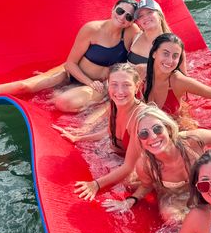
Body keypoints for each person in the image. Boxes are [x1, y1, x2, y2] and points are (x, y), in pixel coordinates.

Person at [0, 0, 140, 120]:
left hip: (99, 85)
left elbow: (145, 51)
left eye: (128, 16)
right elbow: (70, 63)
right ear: (113, 8)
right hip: (74, 74)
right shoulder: (92, 29)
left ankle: (66, 95)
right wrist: (86, 81)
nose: (122, 17)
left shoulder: (131, 33)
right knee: (24, 86)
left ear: (132, 21)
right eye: (120, 11)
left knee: (63, 102)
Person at [51, 63, 146, 200]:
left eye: (126, 85)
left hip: (141, 163)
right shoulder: (117, 104)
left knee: (127, 183)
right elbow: (108, 132)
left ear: (137, 87)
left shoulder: (140, 118)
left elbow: (128, 166)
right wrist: (78, 138)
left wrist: (96, 184)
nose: (119, 91)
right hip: (121, 154)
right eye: (114, 84)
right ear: (108, 84)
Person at [126, 0, 187, 77]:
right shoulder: (135, 36)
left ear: (160, 15)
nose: (145, 17)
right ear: (139, 22)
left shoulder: (174, 45)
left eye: (150, 12)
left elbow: (183, 78)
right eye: (141, 16)